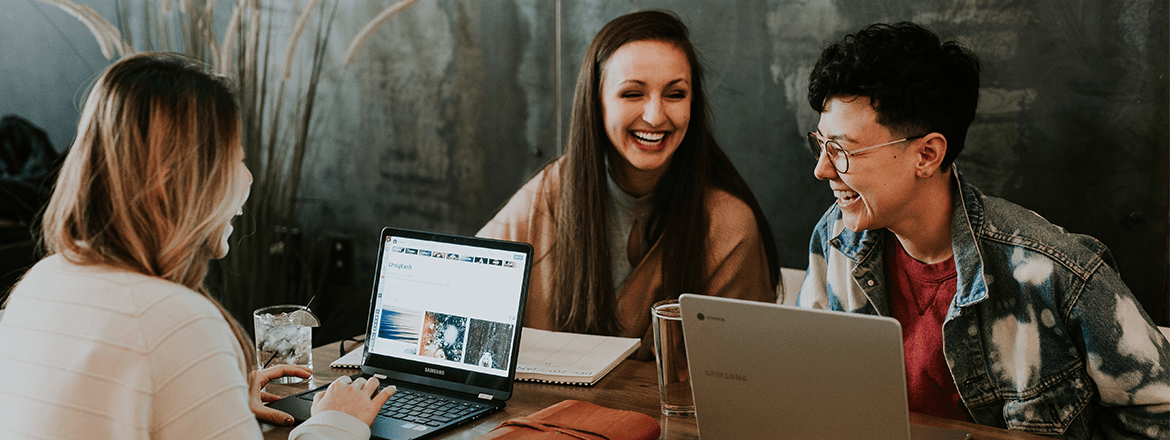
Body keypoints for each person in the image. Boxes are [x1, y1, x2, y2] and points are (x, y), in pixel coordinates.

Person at [796, 22, 1170, 439]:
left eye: (843, 151)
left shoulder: (1054, 272)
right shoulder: (835, 240)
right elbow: (807, 384)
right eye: (821, 144)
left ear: (927, 154)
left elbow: (1161, 414)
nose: (822, 169)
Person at [0, 52, 394, 439]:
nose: (249, 178)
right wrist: (337, 421)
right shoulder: (175, 320)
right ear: (169, 184)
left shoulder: (39, 283)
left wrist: (215, 395)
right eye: (235, 160)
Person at [478, 10, 780, 360]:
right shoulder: (549, 193)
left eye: (675, 94)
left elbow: (741, 376)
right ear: (597, 102)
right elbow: (462, 290)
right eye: (632, 94)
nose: (655, 116)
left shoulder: (729, 225)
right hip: (542, 414)